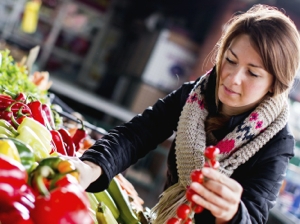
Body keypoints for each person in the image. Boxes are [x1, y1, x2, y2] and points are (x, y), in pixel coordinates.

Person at [69, 4, 300, 224]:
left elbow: (254, 217)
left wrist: (232, 214)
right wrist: (91, 167)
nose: (233, 78)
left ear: (274, 85)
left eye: (252, 73)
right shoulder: (195, 96)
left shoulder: (276, 143)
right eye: (230, 60)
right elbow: (136, 135)